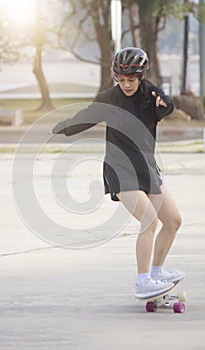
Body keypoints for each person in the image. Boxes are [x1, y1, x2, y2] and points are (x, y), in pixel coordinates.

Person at [51, 47, 185, 299]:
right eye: (121, 80)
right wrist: (60, 127)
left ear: (141, 76)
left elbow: (167, 104)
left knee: (174, 221)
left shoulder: (150, 93)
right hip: (120, 167)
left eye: (131, 80)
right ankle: (143, 281)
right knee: (149, 221)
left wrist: (165, 106)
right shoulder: (109, 99)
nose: (126, 84)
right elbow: (87, 116)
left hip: (146, 165)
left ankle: (156, 273)